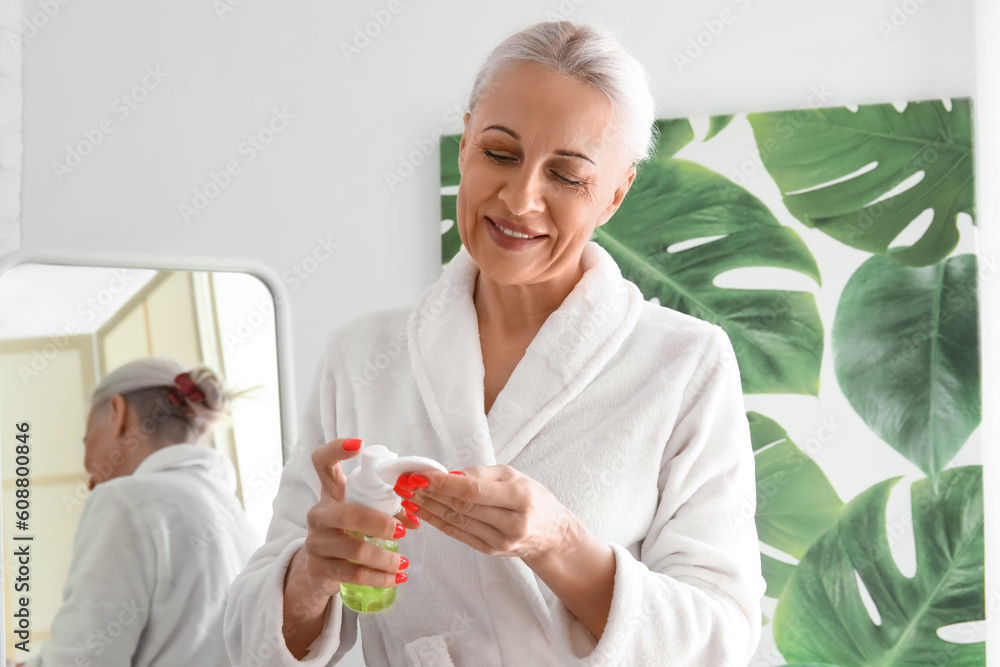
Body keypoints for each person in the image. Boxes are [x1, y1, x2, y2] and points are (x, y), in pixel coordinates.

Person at [225, 20, 765, 667]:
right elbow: (248, 638)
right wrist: (312, 573)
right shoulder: (361, 354)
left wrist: (557, 542)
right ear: (465, 146)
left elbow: (723, 639)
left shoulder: (685, 363)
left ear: (615, 195)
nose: (520, 198)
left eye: (567, 175)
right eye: (500, 153)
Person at [14, 358, 261, 667]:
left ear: (117, 412)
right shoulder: (241, 524)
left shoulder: (125, 502)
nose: (88, 467)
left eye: (86, 439)